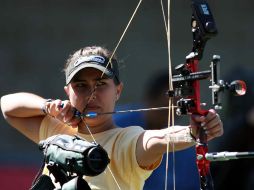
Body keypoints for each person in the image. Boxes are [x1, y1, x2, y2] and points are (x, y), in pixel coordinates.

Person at [0, 45, 223, 190]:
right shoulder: (56, 130)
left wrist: (193, 132)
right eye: (81, 86)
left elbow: (155, 141)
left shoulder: (125, 141)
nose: (91, 94)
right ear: (68, 92)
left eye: (101, 85)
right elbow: (7, 106)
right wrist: (48, 106)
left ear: (118, 90)